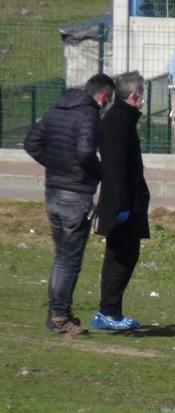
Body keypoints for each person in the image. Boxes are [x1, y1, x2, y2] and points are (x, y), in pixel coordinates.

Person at [23, 73, 115, 337]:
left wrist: (55, 165)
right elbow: (86, 152)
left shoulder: (56, 110)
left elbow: (31, 143)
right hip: (75, 196)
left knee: (61, 256)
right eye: (107, 101)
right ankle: (61, 316)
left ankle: (56, 314)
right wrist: (98, 173)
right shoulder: (89, 115)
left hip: (52, 193)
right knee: (69, 260)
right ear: (103, 96)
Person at [89, 71, 151, 331]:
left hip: (129, 201)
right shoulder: (117, 122)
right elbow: (115, 168)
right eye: (142, 94)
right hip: (122, 203)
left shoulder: (123, 119)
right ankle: (108, 311)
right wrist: (122, 206)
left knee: (126, 253)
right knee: (121, 255)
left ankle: (111, 310)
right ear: (135, 95)